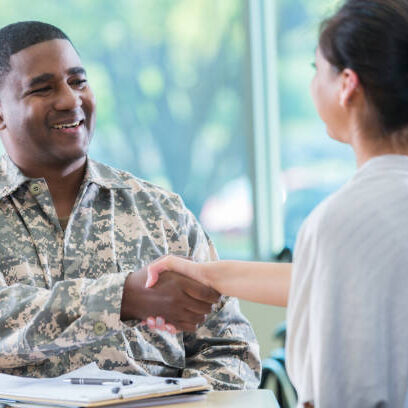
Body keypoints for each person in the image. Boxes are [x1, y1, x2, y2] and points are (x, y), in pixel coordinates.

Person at [145, 0, 408, 406]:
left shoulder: (342, 221)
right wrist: (207, 274)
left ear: (347, 85)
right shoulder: (370, 216)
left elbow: (343, 389)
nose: (313, 83)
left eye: (316, 70)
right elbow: (319, 279)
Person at [0, 21, 261, 390]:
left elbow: (230, 349)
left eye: (78, 82)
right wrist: (123, 298)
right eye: (43, 88)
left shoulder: (162, 212)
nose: (70, 99)